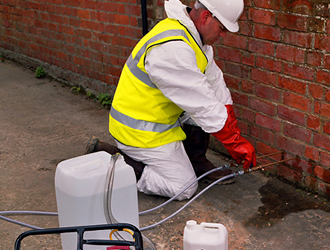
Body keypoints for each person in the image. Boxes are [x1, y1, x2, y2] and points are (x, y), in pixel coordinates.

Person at [87, 0, 256, 200]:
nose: (224, 34)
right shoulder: (173, 48)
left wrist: (232, 128)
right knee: (183, 187)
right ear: (205, 17)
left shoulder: (194, 39)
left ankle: (196, 162)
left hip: (158, 121)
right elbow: (200, 101)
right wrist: (234, 143)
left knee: (209, 107)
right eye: (222, 28)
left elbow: (215, 86)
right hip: (139, 132)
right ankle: (116, 161)